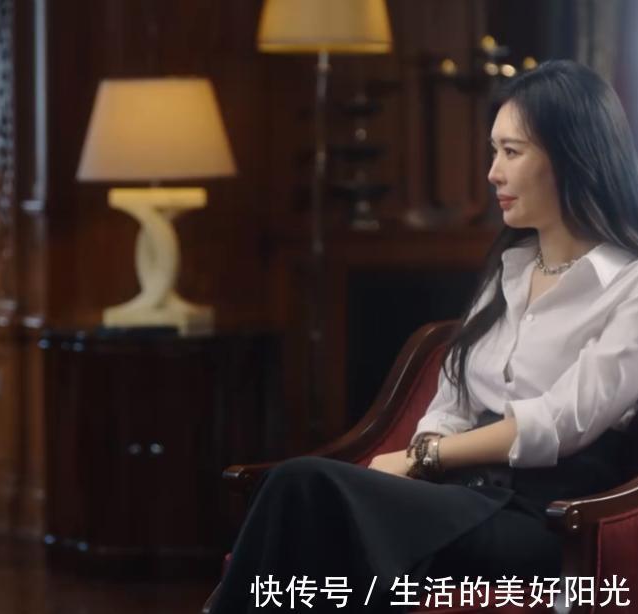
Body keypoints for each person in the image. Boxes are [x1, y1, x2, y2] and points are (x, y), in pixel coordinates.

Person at [208, 59, 638, 613]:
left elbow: (560, 421)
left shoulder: (628, 287)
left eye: (511, 152)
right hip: (461, 496)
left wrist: (423, 458)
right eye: (493, 151)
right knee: (305, 503)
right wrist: (421, 462)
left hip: (549, 519)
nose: (493, 173)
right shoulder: (508, 271)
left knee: (303, 486)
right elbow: (451, 403)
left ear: (571, 156)